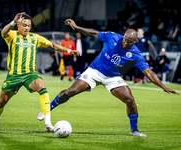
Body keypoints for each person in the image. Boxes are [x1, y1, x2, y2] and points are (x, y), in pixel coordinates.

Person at [37, 19, 179, 136]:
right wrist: (77, 27)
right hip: (94, 71)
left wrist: (163, 87)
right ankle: (47, 110)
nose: (125, 42)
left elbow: (149, 73)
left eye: (129, 42)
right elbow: (93, 33)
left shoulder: (136, 54)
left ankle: (134, 130)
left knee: (130, 100)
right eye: (125, 39)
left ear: (134, 42)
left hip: (113, 78)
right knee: (70, 92)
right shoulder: (112, 36)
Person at [0, 13, 81, 132]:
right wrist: (12, 22)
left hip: (30, 75)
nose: (27, 28)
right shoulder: (12, 35)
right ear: (18, 25)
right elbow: (4, 33)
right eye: (24, 25)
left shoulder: (35, 38)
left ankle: (48, 123)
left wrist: (69, 50)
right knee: (0, 103)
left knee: (42, 86)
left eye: (29, 26)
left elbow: (52, 45)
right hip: (14, 76)